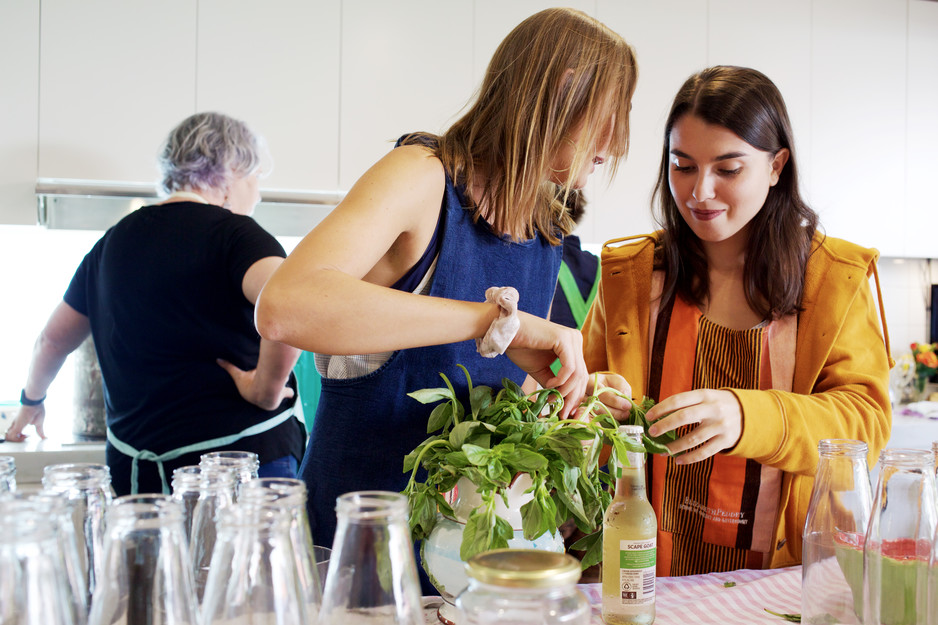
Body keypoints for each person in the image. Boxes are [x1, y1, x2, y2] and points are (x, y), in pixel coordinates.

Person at [255, 7, 638, 562]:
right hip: (354, 554)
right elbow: (284, 308)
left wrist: (574, 400)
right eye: (611, 113)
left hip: (464, 567)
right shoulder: (421, 176)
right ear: (559, 95)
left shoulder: (545, 231)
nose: (616, 141)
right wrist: (495, 321)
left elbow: (501, 394)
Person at [581, 66, 892, 576]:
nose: (700, 192)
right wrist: (594, 403)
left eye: (728, 169)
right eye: (682, 166)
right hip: (644, 563)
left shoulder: (835, 277)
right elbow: (584, 401)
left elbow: (867, 425)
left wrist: (747, 417)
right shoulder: (630, 274)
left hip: (784, 571)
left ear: (776, 166)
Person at [6, 112, 307, 496]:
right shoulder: (237, 235)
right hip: (238, 470)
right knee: (245, 558)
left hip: (139, 478)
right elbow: (292, 303)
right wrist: (266, 389)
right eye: (255, 179)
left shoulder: (112, 242)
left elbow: (52, 340)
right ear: (230, 170)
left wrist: (31, 400)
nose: (258, 194)